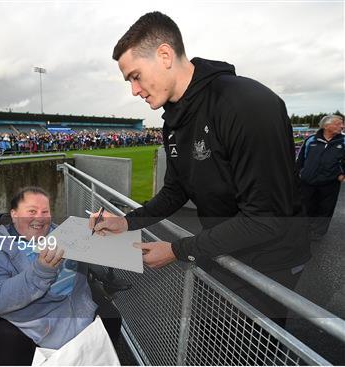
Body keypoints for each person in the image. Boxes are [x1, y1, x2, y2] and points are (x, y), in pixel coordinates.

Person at [90, 11, 310, 325]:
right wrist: (128, 223)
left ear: (164, 55)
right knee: (205, 335)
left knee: (243, 349)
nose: (134, 91)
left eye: (135, 76)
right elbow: (177, 189)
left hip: (270, 260)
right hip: (222, 248)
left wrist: (178, 250)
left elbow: (265, 219)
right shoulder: (174, 121)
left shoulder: (246, 103)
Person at [0, 186, 121, 365]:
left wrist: (105, 240)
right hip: (34, 318)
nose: (40, 217)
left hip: (78, 306)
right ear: (14, 214)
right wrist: (40, 271)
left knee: (112, 316)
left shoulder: (66, 233)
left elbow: (95, 253)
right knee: (7, 337)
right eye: (31, 211)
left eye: (45, 211)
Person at [297, 114, 345, 240]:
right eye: (338, 123)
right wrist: (298, 173)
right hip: (308, 181)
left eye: (342, 123)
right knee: (306, 206)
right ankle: (304, 229)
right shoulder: (311, 140)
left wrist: (342, 174)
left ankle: (318, 232)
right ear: (326, 125)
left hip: (330, 183)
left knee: (325, 209)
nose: (342, 126)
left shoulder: (343, 142)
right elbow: (300, 159)